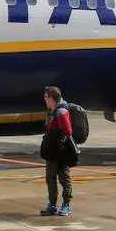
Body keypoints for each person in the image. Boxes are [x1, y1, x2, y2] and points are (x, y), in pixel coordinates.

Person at [39, 85, 73, 216]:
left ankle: (66, 205)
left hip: (60, 152)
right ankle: (52, 205)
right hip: (51, 151)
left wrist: (57, 142)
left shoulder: (61, 112)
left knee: (64, 178)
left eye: (46, 96)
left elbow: (68, 131)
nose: (44, 98)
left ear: (52, 98)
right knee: (50, 178)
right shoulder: (51, 111)